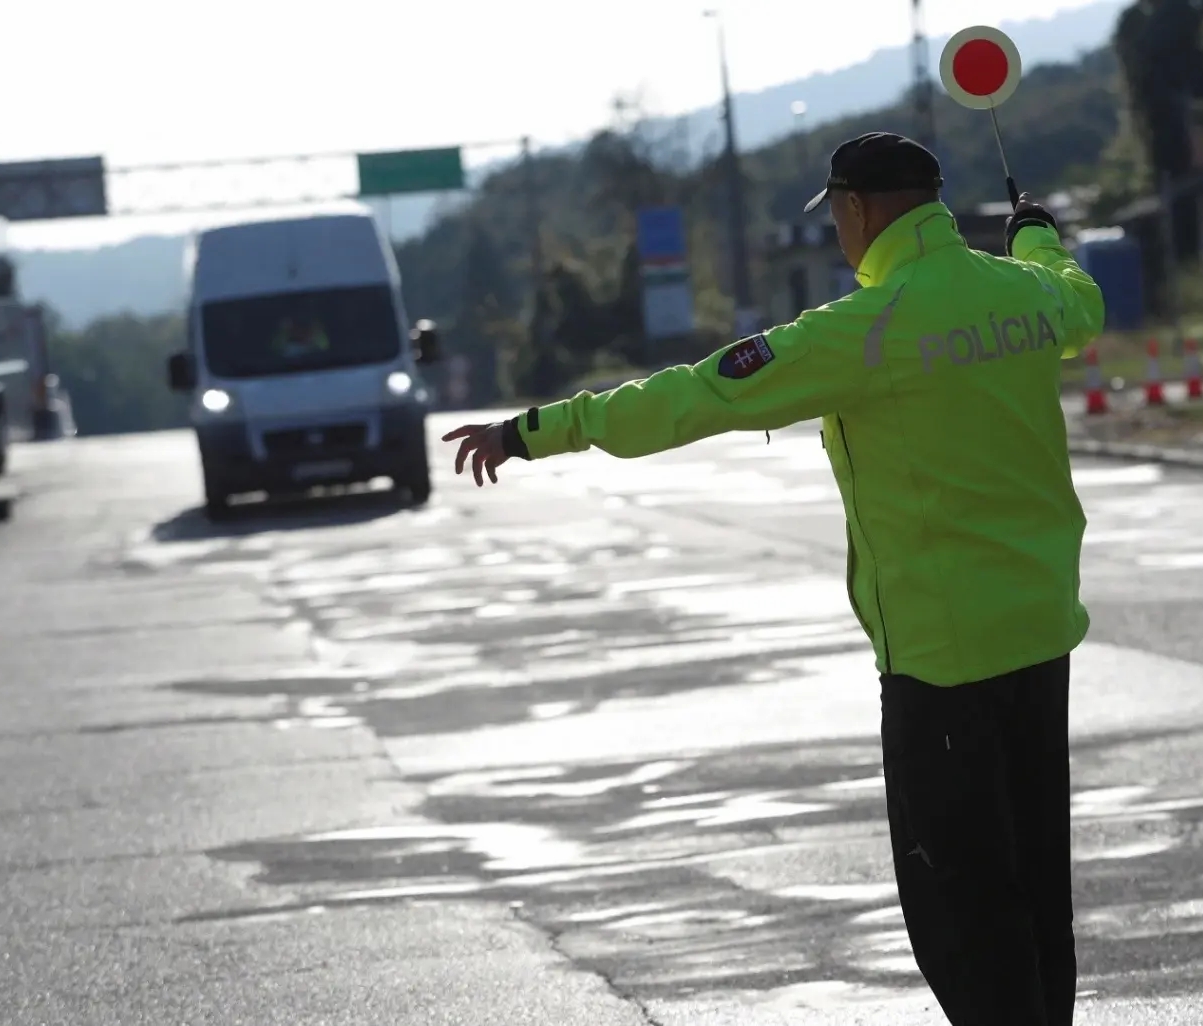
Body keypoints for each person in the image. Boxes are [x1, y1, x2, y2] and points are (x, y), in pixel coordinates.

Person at [444, 131, 1103, 1026]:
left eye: (837, 213)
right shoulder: (1024, 294)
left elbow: (695, 396)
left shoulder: (864, 329)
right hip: (1041, 639)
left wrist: (537, 429)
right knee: (1034, 889)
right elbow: (1079, 301)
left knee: (960, 909)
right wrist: (1035, 235)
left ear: (857, 211)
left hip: (942, 664)